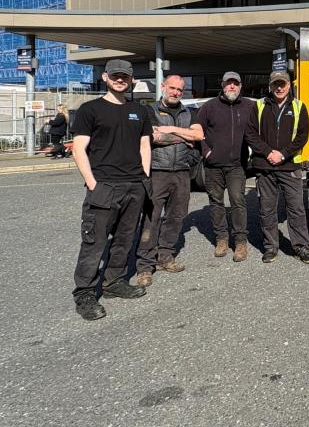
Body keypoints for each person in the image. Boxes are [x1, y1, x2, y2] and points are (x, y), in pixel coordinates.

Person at [71, 59, 153, 321]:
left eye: (125, 77)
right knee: (94, 243)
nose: (120, 80)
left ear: (131, 80)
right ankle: (84, 293)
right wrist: (93, 183)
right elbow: (78, 149)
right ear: (105, 77)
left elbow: (144, 146)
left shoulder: (139, 111)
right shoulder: (90, 109)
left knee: (124, 239)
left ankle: (113, 282)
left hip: (134, 185)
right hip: (104, 186)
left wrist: (145, 177)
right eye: (116, 76)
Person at [135, 75, 204, 287]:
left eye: (179, 90)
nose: (175, 92)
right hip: (157, 171)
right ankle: (145, 266)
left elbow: (199, 135)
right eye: (172, 88)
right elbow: (154, 137)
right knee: (151, 218)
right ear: (163, 87)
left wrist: (172, 130)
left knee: (176, 217)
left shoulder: (189, 112)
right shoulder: (150, 111)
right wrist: (185, 136)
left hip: (182, 172)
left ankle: (165, 256)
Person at [247, 71, 309, 264]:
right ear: (270, 86)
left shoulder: (299, 106)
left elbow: (302, 136)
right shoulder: (259, 105)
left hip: (289, 166)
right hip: (265, 165)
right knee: (267, 209)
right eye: (275, 84)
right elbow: (251, 133)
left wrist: (283, 154)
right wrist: (269, 152)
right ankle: (270, 247)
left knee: (296, 208)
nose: (279, 88)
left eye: (283, 84)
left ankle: (301, 247)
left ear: (289, 85)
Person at [197, 71, 256, 261]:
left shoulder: (250, 106)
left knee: (238, 200)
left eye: (235, 84)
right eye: (228, 84)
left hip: (237, 165)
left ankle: (240, 242)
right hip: (213, 165)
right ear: (222, 86)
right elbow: (198, 131)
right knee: (216, 202)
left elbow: (259, 130)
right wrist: (206, 151)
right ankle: (221, 238)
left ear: (240, 86)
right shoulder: (209, 107)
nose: (232, 87)